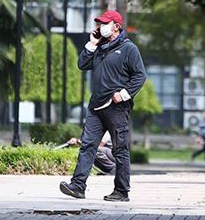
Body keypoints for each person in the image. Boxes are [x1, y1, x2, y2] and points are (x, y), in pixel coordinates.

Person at [60, 10, 146, 202]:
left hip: (117, 108)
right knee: (88, 146)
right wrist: (91, 44)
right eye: (99, 23)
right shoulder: (100, 47)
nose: (100, 27)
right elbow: (82, 64)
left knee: (120, 150)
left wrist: (123, 94)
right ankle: (77, 186)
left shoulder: (128, 48)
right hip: (95, 107)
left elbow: (140, 75)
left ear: (116, 26)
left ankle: (121, 192)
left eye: (105, 23)